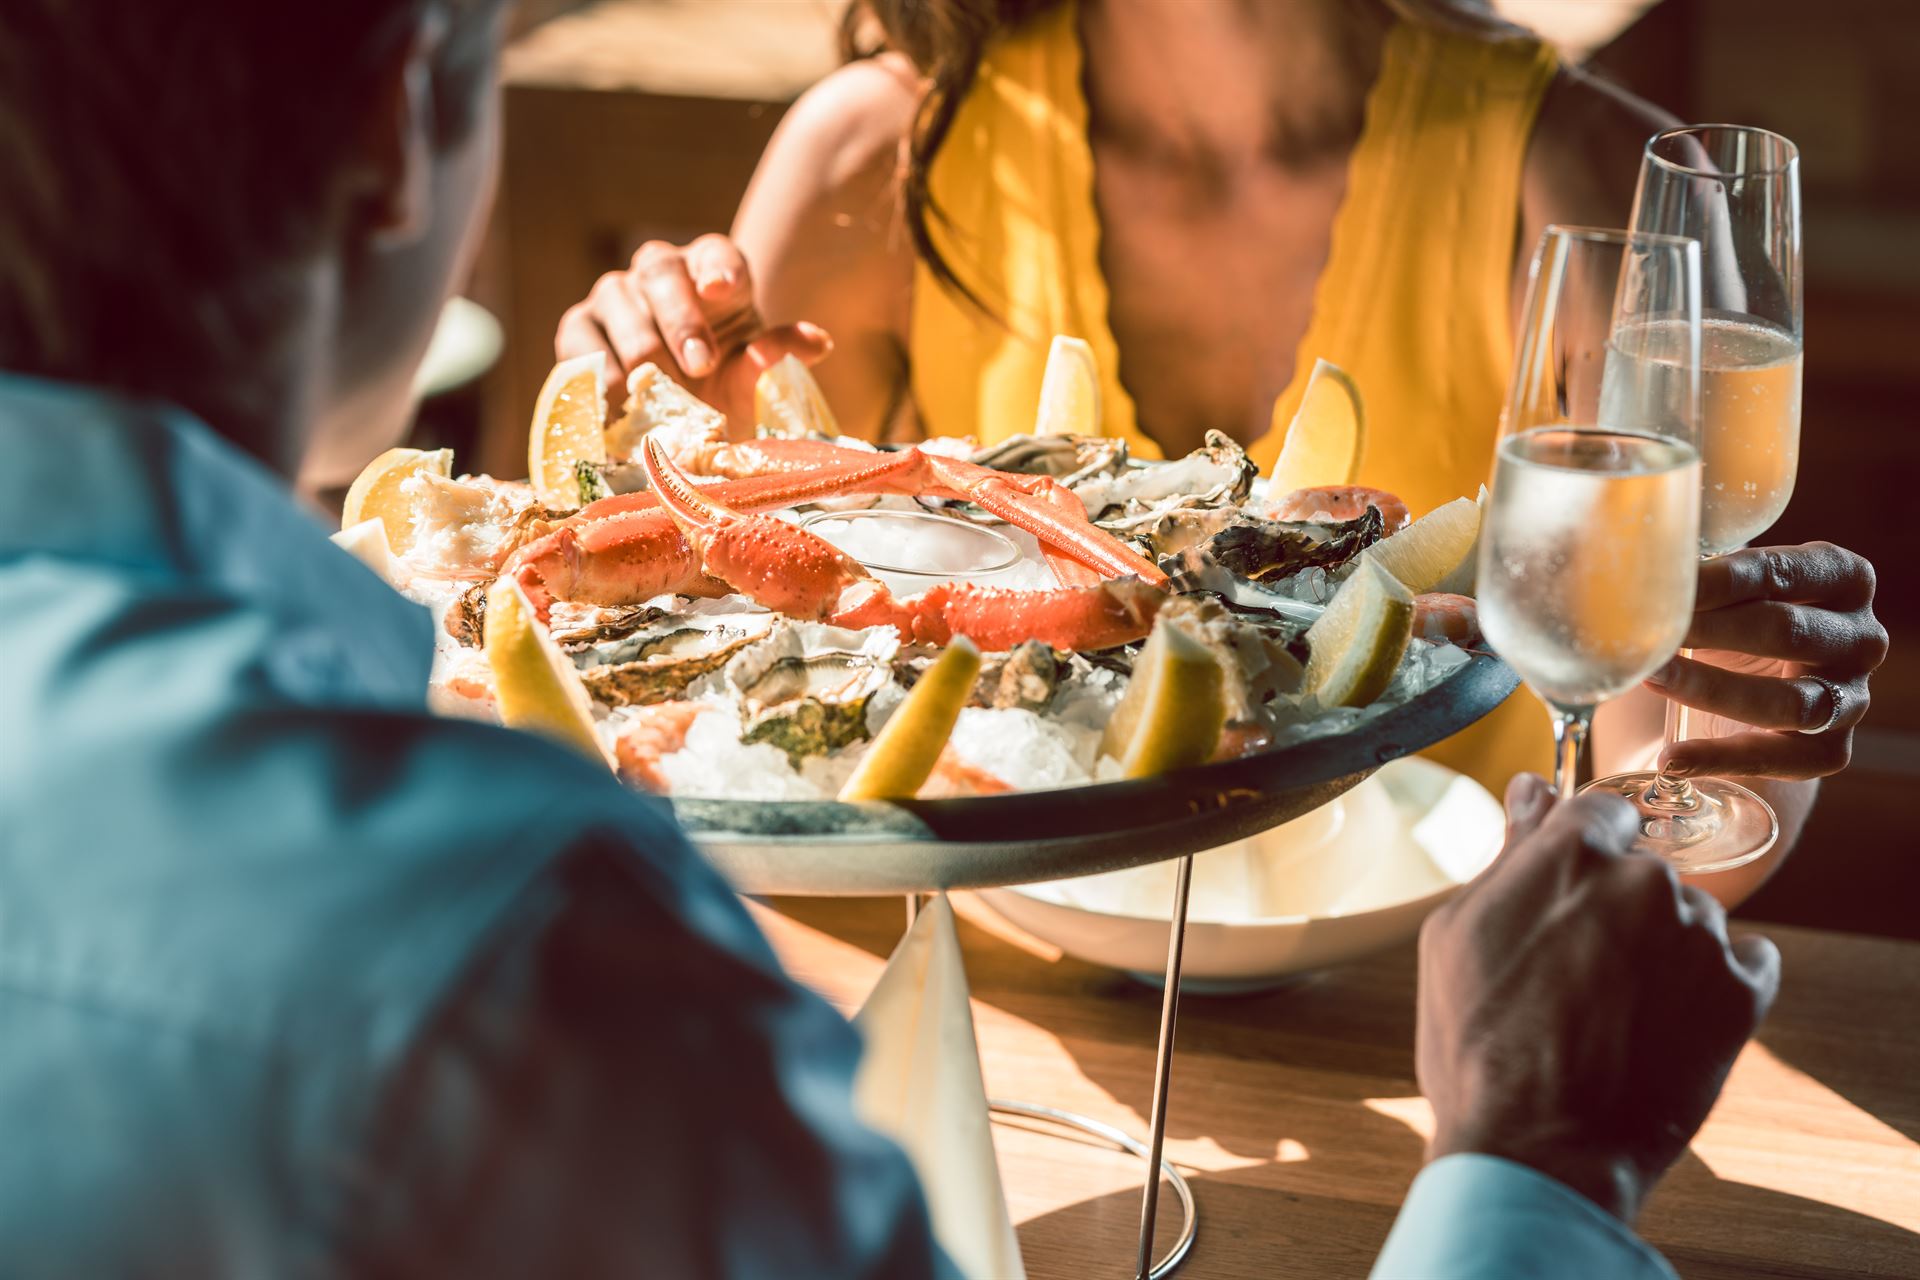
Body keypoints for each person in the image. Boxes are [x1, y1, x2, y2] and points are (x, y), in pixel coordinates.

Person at [0, 1, 1794, 1275]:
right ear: (402, 130)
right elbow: (776, 731)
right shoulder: (525, 942)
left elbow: (1652, 761)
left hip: (1326, 1053)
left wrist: (1728, 754)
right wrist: (1537, 1186)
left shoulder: (1564, 168)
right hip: (1071, 1094)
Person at [556, 0, 1887, 907]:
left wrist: (1745, 703)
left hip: (1427, 1024)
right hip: (992, 1010)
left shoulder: (1584, 173)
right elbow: (721, 719)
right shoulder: (879, 155)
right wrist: (651, 423)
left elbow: (1684, 822)